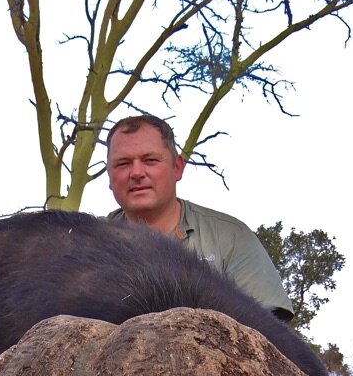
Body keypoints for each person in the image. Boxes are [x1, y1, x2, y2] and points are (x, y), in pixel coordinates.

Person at [105, 114, 294, 321]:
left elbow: (273, 332)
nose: (137, 173)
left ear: (177, 167)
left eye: (150, 160)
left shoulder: (230, 237)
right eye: (123, 164)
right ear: (109, 176)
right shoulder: (85, 244)